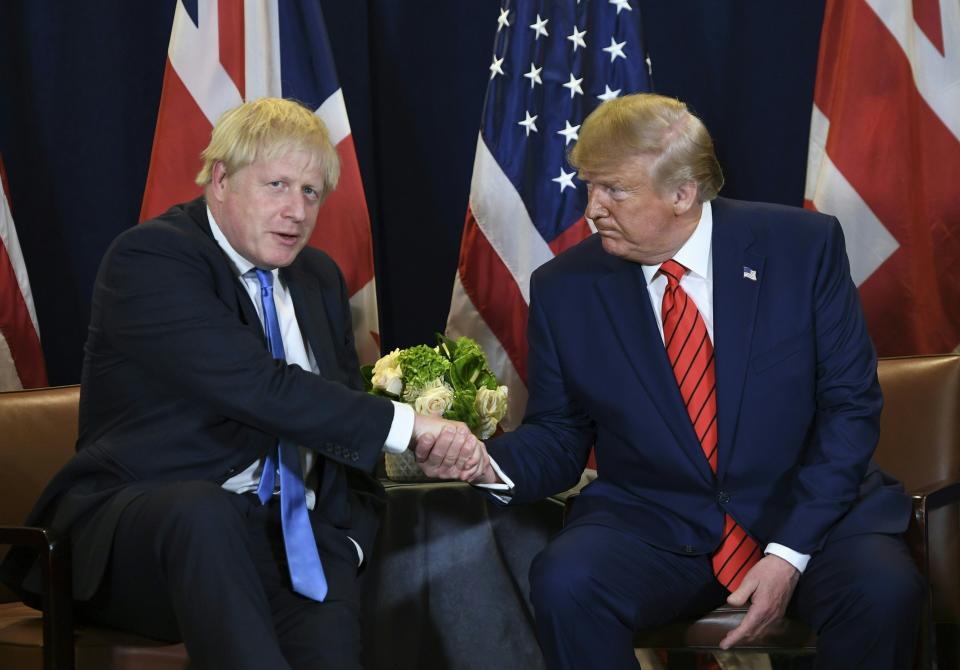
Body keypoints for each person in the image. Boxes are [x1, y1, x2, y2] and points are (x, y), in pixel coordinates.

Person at [420, 93, 923, 669]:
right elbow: (559, 434)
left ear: (683, 193)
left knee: (883, 594)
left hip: (809, 515)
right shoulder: (566, 287)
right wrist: (486, 464)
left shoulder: (802, 248)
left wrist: (787, 555)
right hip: (656, 523)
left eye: (616, 190)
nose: (593, 209)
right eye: (589, 186)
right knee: (567, 581)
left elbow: (849, 409)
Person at [1, 98, 487, 670]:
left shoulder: (317, 277)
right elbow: (261, 388)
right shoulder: (153, 257)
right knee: (203, 513)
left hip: (290, 539)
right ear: (222, 181)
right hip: (141, 536)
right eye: (277, 184)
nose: (296, 211)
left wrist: (360, 517)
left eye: (310, 192)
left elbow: (331, 409)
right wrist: (409, 427)